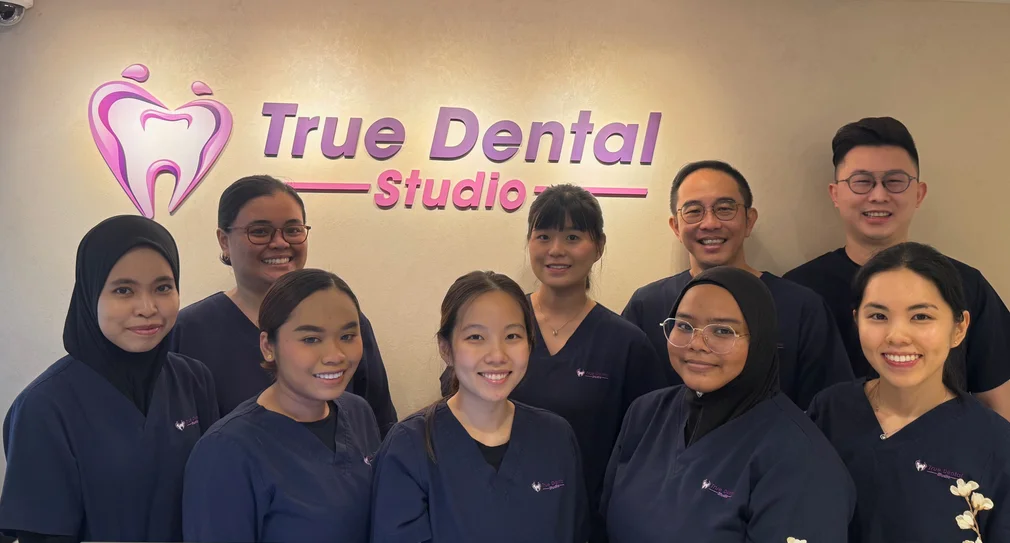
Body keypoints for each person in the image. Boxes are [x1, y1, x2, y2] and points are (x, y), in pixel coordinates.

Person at [441, 184, 670, 542]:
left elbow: (647, 452)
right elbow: (454, 407)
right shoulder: (497, 327)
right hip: (481, 516)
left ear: (599, 246)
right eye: (543, 236)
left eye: (573, 237)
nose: (556, 250)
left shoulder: (626, 344)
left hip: (581, 524)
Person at [0, 215, 219, 543]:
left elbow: (213, 494)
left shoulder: (192, 379)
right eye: (123, 290)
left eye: (162, 287)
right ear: (90, 296)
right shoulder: (45, 406)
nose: (147, 307)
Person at [601, 266, 855, 542]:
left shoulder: (800, 459)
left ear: (759, 340)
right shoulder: (646, 414)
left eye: (722, 331)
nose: (697, 343)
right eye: (684, 326)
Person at [784, 117, 1010, 420]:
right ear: (835, 194)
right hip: (821, 462)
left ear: (919, 193)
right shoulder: (796, 291)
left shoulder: (965, 285)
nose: (878, 195)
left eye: (895, 181)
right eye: (861, 181)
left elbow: (1000, 407)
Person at [807, 242, 1010, 542]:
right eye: (878, 316)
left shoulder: (995, 443)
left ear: (959, 328)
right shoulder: (829, 412)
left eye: (921, 317)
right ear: (856, 320)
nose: (897, 336)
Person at [171, 174, 398, 435]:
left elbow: (379, 424)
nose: (280, 243)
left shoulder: (345, 321)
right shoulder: (189, 331)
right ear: (224, 241)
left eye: (293, 230)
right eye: (259, 231)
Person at [372, 271, 589, 542]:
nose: (497, 355)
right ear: (446, 348)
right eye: (476, 337)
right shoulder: (410, 446)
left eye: (512, 336)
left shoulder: (556, 437)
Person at [622, 160, 853, 409]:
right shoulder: (646, 305)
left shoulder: (801, 307)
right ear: (676, 227)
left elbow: (828, 408)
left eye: (724, 208)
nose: (710, 223)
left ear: (749, 220)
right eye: (693, 211)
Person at [183, 269, 380, 542]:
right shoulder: (227, 451)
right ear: (268, 346)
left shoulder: (359, 414)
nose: (336, 355)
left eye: (347, 336)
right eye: (311, 339)